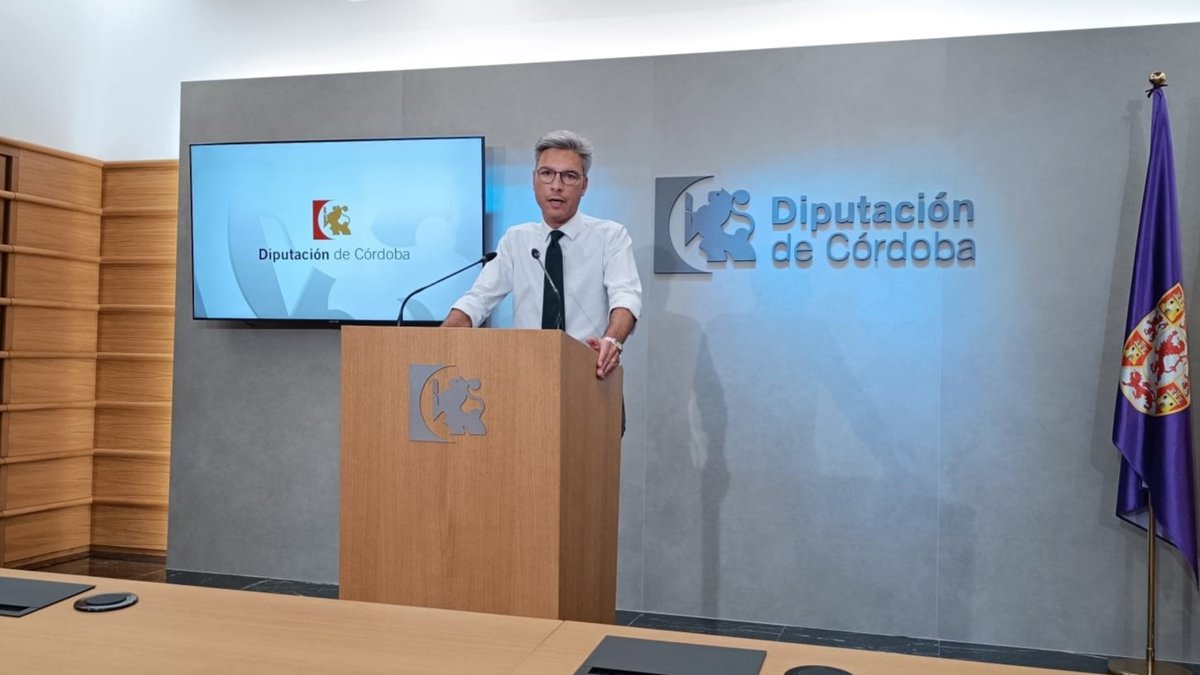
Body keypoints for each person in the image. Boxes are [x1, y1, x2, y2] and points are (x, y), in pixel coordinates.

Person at [441, 130, 641, 381]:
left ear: (584, 185)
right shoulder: (516, 239)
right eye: (547, 173)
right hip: (529, 379)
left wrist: (612, 341)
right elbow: (479, 299)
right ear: (534, 180)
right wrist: (440, 337)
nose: (556, 186)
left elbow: (626, 296)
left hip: (591, 376)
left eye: (569, 176)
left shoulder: (610, 236)